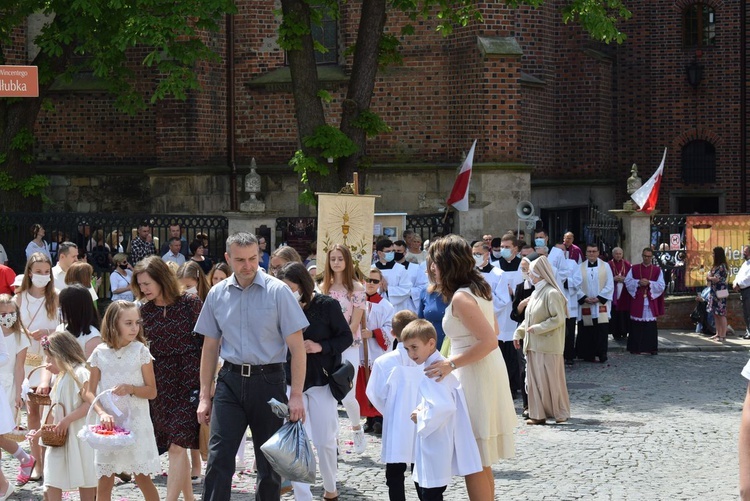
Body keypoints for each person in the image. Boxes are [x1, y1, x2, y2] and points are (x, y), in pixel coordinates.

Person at [194, 232, 308, 500]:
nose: (247, 266)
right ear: (227, 258)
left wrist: (297, 395)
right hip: (229, 382)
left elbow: (297, 348)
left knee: (268, 464)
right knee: (219, 458)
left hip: (268, 382)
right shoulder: (216, 294)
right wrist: (203, 395)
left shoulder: (279, 292)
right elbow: (210, 347)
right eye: (240, 260)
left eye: (253, 259)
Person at [423, 235, 516, 499]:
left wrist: (450, 363)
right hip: (480, 369)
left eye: (436, 263)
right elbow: (494, 330)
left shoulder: (462, 298)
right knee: (479, 457)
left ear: (450, 264)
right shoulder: (478, 288)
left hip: (475, 373)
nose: (432, 268)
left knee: (472, 456)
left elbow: (489, 340)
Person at [276, 262, 352, 501]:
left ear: (303, 285)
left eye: (291, 287)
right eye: (283, 288)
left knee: (325, 440)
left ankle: (331, 488)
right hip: (290, 381)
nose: (287, 293)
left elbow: (345, 337)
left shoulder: (326, 305)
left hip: (321, 381)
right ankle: (303, 496)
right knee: (296, 441)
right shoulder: (279, 307)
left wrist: (321, 346)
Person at [132, 256, 203, 501]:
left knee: (177, 445)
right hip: (159, 384)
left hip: (190, 382)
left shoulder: (190, 303)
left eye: (147, 283)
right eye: (140, 284)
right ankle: (190, 498)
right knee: (176, 446)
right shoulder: (143, 311)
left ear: (162, 278)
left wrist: (209, 382)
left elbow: (208, 343)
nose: (144, 289)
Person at [85, 301, 161, 501]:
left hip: (136, 423)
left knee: (143, 477)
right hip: (108, 427)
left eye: (137, 322)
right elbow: (89, 392)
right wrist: (102, 413)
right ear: (113, 324)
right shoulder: (99, 353)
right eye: (128, 323)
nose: (135, 328)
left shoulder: (140, 351)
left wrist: (131, 389)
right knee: (105, 480)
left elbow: (152, 391)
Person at [404, 319, 482, 500]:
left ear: (431, 343)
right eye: (407, 349)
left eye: (414, 347)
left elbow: (444, 406)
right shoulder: (436, 364)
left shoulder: (435, 370)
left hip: (437, 441)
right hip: (437, 439)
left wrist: (420, 415)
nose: (411, 353)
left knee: (430, 493)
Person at [366, 310, 421, 501]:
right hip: (422, 423)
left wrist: (391, 411)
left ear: (393, 333)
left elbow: (374, 394)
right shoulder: (427, 360)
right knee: (422, 473)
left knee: (395, 475)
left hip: (396, 423)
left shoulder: (383, 362)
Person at [37, 331, 96, 501]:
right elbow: (55, 408)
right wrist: (43, 430)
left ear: (61, 355)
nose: (48, 363)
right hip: (60, 437)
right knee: (51, 477)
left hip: (78, 436)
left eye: (50, 358)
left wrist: (67, 420)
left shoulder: (80, 373)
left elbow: (88, 402)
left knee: (86, 478)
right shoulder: (61, 377)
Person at [320, 243, 368, 453]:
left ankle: (356, 428)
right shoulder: (323, 288)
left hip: (349, 344)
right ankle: (334, 439)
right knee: (328, 395)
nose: (336, 262)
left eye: (340, 258)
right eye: (333, 259)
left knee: (347, 394)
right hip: (327, 347)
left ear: (347, 261)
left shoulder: (356, 289)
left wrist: (338, 341)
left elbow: (355, 322)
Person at [513, 256, 571, 425]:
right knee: (534, 382)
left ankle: (560, 412)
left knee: (552, 380)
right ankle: (537, 414)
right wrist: (519, 332)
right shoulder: (536, 292)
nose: (529, 275)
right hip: (533, 345)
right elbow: (529, 318)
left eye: (530, 272)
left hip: (548, 345)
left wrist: (538, 328)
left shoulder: (551, 293)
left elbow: (558, 319)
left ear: (539, 274)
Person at [16, 252, 58, 480]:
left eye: (46, 272)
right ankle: (38, 464)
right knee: (31, 412)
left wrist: (47, 333)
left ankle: (52, 461)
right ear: (29, 272)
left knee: (49, 414)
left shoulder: (56, 297)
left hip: (49, 360)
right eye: (38, 272)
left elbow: (66, 327)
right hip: (25, 360)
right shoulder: (19, 298)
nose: (43, 276)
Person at [0, 294, 35, 489]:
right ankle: (23, 460)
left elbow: (19, 366)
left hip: (8, 386)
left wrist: (18, 394)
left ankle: (24, 459)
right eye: (3, 313)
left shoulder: (20, 335)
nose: (7, 316)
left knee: (2, 432)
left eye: (11, 313)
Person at [358, 267, 395, 433]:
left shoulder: (386, 306)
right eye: (368, 280)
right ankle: (369, 418)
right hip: (361, 350)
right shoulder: (357, 302)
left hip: (377, 350)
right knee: (365, 384)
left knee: (378, 384)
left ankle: (379, 417)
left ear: (380, 283)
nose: (370, 284)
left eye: (374, 281)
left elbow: (390, 329)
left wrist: (373, 333)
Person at [575, 244, 614, 364]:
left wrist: (599, 298)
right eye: (589, 251)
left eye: (594, 251)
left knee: (601, 331)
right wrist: (584, 297)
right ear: (585, 253)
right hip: (586, 304)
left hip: (600, 305)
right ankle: (587, 354)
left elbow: (610, 284)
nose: (591, 254)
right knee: (587, 330)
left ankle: (602, 354)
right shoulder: (579, 267)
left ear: (598, 253)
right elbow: (575, 285)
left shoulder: (605, 266)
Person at [625, 247, 665, 355]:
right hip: (638, 299)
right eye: (645, 256)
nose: (646, 258)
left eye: (649, 256)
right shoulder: (634, 268)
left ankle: (651, 348)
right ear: (642, 256)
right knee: (636, 325)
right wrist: (638, 282)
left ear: (651, 257)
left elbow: (661, 285)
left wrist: (649, 283)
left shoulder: (657, 270)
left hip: (650, 300)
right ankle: (635, 348)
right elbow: (627, 282)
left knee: (650, 326)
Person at [56, 284, 102, 358]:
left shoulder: (92, 337)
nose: (60, 309)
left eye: (63, 306)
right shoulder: (60, 329)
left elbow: (91, 367)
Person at [374, 239, 414, 313]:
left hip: (396, 309)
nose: (392, 253)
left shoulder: (400, 269)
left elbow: (407, 290)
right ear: (379, 253)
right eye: (388, 251)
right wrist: (379, 289)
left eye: (392, 251)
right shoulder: (372, 269)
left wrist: (388, 289)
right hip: (376, 309)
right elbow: (365, 290)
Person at [608, 247, 632, 341]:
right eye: (616, 254)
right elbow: (604, 277)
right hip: (613, 291)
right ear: (613, 254)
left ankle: (624, 331)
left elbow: (631, 278)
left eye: (620, 254)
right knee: (614, 312)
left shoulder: (627, 264)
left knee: (624, 312)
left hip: (624, 291)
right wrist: (613, 279)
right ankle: (615, 332)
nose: (618, 255)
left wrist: (624, 279)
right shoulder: (608, 264)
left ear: (622, 254)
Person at [707, 246, 729, 341]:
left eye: (713, 253)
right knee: (715, 314)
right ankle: (718, 333)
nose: (712, 255)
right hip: (714, 292)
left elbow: (716, 279)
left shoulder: (722, 266)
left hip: (720, 291)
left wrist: (709, 278)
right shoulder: (715, 266)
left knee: (721, 314)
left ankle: (723, 335)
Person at [733, 245, 750, 340]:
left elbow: (748, 278)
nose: (743, 253)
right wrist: (735, 283)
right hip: (744, 290)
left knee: (749, 312)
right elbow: (739, 275)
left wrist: (739, 284)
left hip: (748, 289)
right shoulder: (745, 264)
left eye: (746, 251)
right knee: (746, 312)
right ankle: (748, 331)